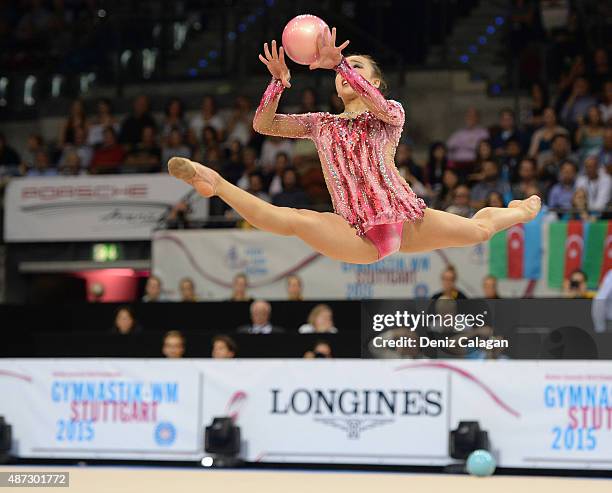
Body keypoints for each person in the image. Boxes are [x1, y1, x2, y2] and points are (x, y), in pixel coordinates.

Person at [168, 30, 541, 264]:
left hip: (408, 219)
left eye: (358, 67)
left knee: (478, 231)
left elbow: (377, 104)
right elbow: (263, 125)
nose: (347, 73)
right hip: (357, 231)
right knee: (295, 220)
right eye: (343, 71)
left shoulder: (390, 113)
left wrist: (340, 64)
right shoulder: (321, 125)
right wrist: (278, 84)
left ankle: (519, 213)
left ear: (375, 81)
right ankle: (215, 183)